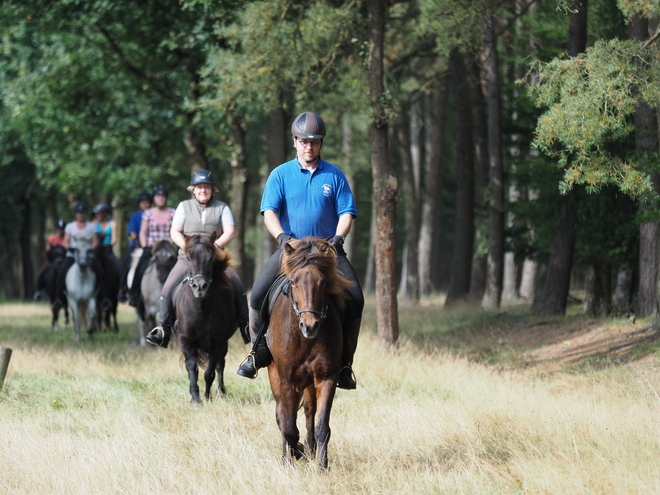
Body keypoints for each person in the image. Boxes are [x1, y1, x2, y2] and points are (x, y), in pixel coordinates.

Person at [236, 111, 364, 390]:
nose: (309, 145)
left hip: (327, 250)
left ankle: (344, 364)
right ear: (295, 142)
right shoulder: (280, 174)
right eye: (304, 141)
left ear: (321, 144)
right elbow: (269, 211)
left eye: (314, 141)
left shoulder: (335, 175)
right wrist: (281, 237)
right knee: (257, 294)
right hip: (291, 250)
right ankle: (258, 352)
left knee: (356, 298)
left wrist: (338, 238)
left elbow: (346, 213)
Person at [146, 169, 249, 348]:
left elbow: (230, 231)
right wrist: (188, 249)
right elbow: (175, 231)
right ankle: (163, 328)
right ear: (193, 189)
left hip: (215, 258)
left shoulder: (222, 207)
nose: (203, 191)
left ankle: (245, 326)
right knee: (168, 288)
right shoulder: (184, 206)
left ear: (212, 190)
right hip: (189, 258)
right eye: (200, 187)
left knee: (237, 285)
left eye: (207, 188)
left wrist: (214, 248)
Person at [128, 185, 175, 307]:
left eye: (163, 196)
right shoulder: (148, 213)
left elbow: (175, 231)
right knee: (140, 267)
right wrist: (145, 247)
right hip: (151, 248)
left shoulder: (173, 213)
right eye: (158, 196)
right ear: (154, 198)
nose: (161, 199)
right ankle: (133, 294)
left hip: (169, 248)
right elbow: (143, 233)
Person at [53, 202, 99, 311]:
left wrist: (90, 249)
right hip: (73, 256)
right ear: (75, 214)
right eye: (79, 213)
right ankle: (58, 299)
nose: (80, 215)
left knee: (100, 271)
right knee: (61, 273)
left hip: (86, 255)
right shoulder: (70, 226)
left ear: (85, 214)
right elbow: (66, 242)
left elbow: (95, 242)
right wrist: (70, 248)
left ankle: (104, 296)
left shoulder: (91, 227)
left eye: (82, 213)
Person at [119, 191, 152, 302]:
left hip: (151, 246)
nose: (145, 204)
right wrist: (138, 240)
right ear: (139, 204)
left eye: (147, 202)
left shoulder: (153, 214)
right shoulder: (135, 216)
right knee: (126, 264)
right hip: (136, 246)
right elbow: (131, 232)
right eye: (143, 202)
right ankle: (123, 288)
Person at [34, 219, 67, 300]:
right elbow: (47, 250)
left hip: (64, 261)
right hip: (52, 261)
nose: (60, 231)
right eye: (59, 229)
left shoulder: (67, 238)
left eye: (62, 229)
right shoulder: (52, 238)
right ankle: (39, 291)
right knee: (41, 272)